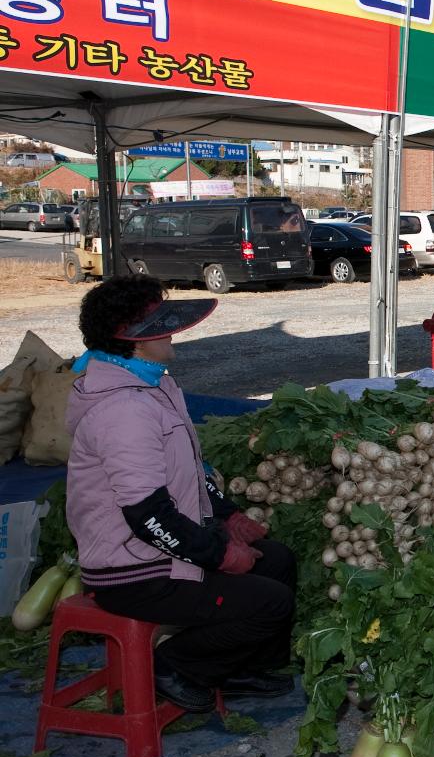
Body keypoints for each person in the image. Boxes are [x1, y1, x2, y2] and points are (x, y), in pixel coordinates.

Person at [65, 275, 296, 713]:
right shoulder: (124, 410)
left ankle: (241, 669)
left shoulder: (154, 385)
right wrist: (218, 555)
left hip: (155, 554)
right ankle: (170, 665)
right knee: (270, 602)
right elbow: (148, 515)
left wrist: (227, 516)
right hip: (134, 571)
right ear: (134, 341)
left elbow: (189, 472)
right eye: (161, 325)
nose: (171, 332)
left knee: (278, 560)